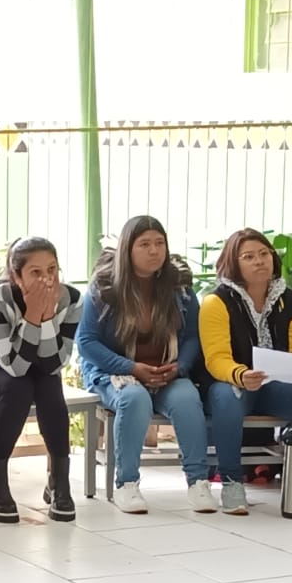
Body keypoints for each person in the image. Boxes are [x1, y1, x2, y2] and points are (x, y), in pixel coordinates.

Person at [197, 229, 292, 516]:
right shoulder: (217, 302)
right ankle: (231, 482)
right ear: (233, 263)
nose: (259, 261)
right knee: (227, 396)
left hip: (278, 385)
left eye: (264, 254)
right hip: (235, 381)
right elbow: (216, 358)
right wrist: (240, 374)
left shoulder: (290, 301)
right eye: (248, 257)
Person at [77, 215, 214, 514]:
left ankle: (198, 482)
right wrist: (131, 367)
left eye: (159, 243)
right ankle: (127, 484)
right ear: (128, 249)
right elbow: (86, 341)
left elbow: (193, 336)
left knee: (188, 398)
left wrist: (179, 367)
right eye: (145, 244)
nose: (154, 251)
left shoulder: (179, 286)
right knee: (134, 398)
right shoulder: (104, 286)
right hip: (115, 372)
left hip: (166, 371)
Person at [0, 236, 83, 523]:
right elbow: (14, 366)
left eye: (52, 270)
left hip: (38, 366)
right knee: (18, 386)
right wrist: (33, 315)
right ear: (16, 276)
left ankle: (59, 482)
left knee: (49, 383)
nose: (47, 280)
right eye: (35, 273)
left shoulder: (72, 299)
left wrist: (48, 317)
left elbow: (54, 364)